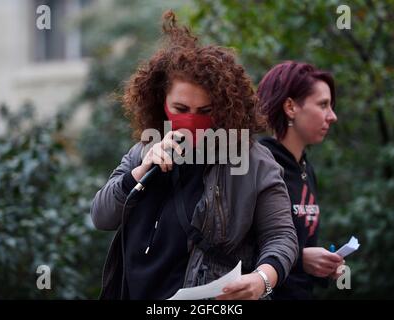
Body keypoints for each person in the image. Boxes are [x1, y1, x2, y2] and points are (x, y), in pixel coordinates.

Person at [90, 12, 298, 300]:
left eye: (204, 112)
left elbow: (281, 237)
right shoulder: (144, 149)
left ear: (225, 109)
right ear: (160, 102)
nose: (191, 120)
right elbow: (101, 216)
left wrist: (262, 280)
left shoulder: (251, 161)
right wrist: (141, 169)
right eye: (180, 109)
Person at [257, 61, 344, 299]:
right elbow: (233, 246)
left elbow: (304, 246)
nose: (332, 116)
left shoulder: (305, 168)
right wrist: (298, 259)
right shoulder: (258, 164)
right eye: (323, 105)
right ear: (290, 107)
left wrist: (323, 266)